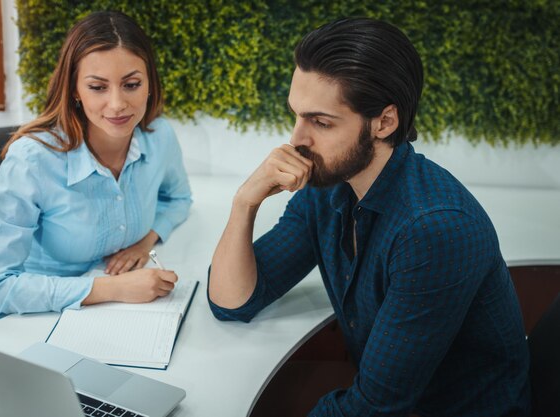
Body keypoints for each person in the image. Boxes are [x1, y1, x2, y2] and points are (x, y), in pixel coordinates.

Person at [208, 17, 530, 416]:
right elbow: (234, 301)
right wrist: (244, 204)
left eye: (321, 122)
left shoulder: (434, 228)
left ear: (384, 122)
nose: (297, 140)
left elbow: (375, 409)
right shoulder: (329, 185)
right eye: (296, 115)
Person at [0, 11, 192, 333]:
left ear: (149, 83)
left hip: (94, 319)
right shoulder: (32, 160)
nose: (117, 104)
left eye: (132, 84)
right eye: (98, 87)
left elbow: (178, 197)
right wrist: (113, 289)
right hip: (15, 325)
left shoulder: (159, 136)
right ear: (74, 90)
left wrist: (144, 242)